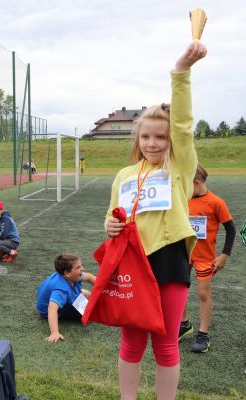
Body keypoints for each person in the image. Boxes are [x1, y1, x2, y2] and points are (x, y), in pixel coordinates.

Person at [104, 41, 206, 399]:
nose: (153, 143)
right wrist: (110, 225)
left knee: (166, 344)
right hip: (132, 261)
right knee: (131, 343)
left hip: (170, 260)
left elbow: (183, 125)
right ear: (137, 138)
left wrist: (181, 73)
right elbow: (113, 214)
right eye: (145, 136)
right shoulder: (124, 174)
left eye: (160, 137)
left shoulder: (178, 168)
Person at [178, 164, 236, 353]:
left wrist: (224, 255)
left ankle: (203, 334)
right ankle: (185, 324)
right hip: (183, 255)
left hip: (205, 258)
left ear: (196, 182)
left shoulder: (216, 202)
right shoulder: (183, 199)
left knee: (203, 293)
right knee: (179, 291)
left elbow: (231, 229)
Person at [36, 254, 96, 343]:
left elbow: (89, 277)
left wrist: (107, 288)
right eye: (78, 267)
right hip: (52, 310)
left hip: (59, 296)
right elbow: (52, 309)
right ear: (67, 273)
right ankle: (78, 294)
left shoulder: (73, 275)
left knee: (88, 296)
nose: (82, 268)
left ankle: (78, 293)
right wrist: (55, 332)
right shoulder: (61, 290)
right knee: (88, 313)